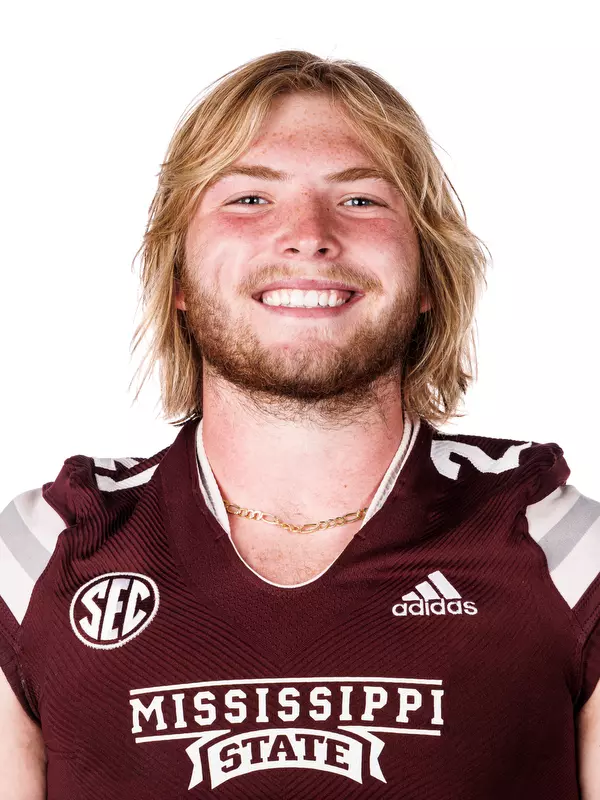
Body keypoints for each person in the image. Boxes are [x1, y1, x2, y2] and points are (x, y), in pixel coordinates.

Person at [1, 49, 598, 800]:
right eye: (250, 198)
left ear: (426, 276)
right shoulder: (38, 558)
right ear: (178, 274)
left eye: (361, 200)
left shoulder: (567, 555)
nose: (308, 234)